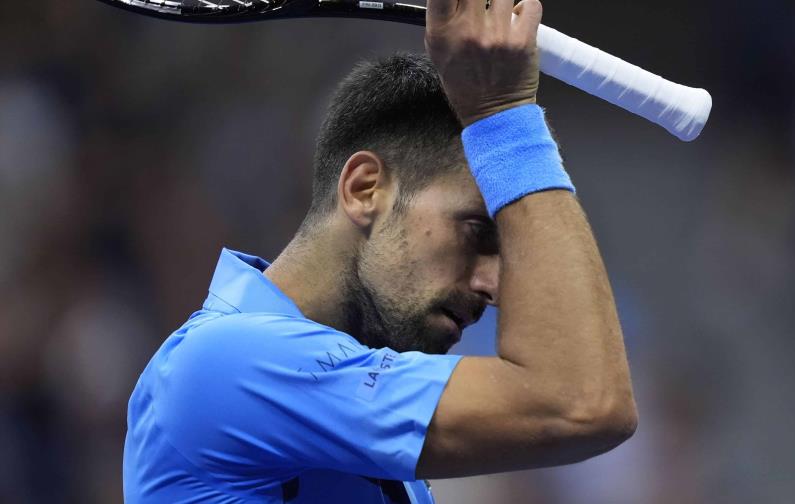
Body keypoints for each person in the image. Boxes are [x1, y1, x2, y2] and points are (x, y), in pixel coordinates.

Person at [123, 0, 638, 502]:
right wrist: (502, 115)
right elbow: (583, 404)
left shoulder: (362, 421)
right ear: (365, 189)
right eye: (478, 232)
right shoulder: (228, 362)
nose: (495, 287)